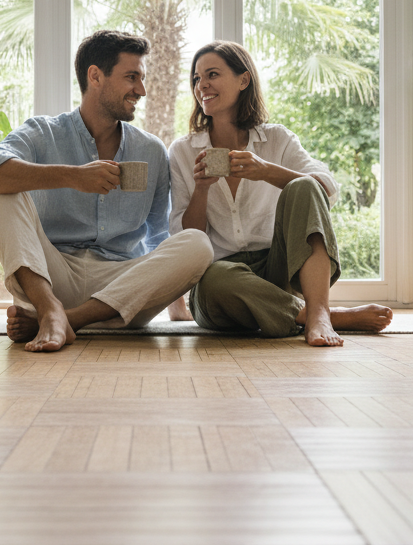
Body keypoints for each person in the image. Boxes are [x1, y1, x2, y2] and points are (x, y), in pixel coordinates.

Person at [0, 30, 213, 352]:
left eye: (142, 78)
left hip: (122, 289)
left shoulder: (150, 149)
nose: (141, 90)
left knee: (197, 242)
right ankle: (49, 308)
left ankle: (65, 320)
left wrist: (175, 302)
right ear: (95, 76)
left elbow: (159, 236)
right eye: (131, 77)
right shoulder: (44, 133)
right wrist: (72, 177)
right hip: (53, 277)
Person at [168, 40, 393, 346]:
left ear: (243, 79)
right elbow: (186, 237)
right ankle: (318, 314)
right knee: (216, 279)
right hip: (222, 284)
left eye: (212, 74)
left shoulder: (276, 139)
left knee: (304, 184)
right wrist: (202, 190)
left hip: (278, 270)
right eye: (196, 78)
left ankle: (314, 312)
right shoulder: (183, 151)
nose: (201, 85)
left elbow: (325, 189)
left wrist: (267, 171)